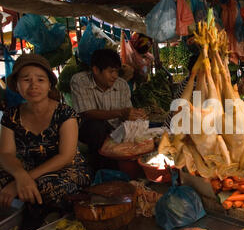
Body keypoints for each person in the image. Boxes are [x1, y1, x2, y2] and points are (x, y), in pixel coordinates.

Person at [0, 54, 93, 210]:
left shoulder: (65, 113)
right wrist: (20, 176)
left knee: (45, 186)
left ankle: (43, 216)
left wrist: (22, 181)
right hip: (27, 168)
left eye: (40, 80)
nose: (33, 85)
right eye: (26, 80)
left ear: (49, 84)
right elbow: (6, 154)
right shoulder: (11, 115)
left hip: (65, 169)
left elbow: (65, 157)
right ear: (16, 85)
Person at [70, 49, 147, 170]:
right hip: (89, 130)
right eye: (111, 71)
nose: (115, 76)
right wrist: (121, 113)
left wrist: (135, 115)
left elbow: (127, 111)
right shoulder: (80, 81)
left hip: (115, 130)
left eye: (117, 71)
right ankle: (102, 171)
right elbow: (87, 113)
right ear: (96, 70)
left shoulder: (121, 85)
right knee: (96, 127)